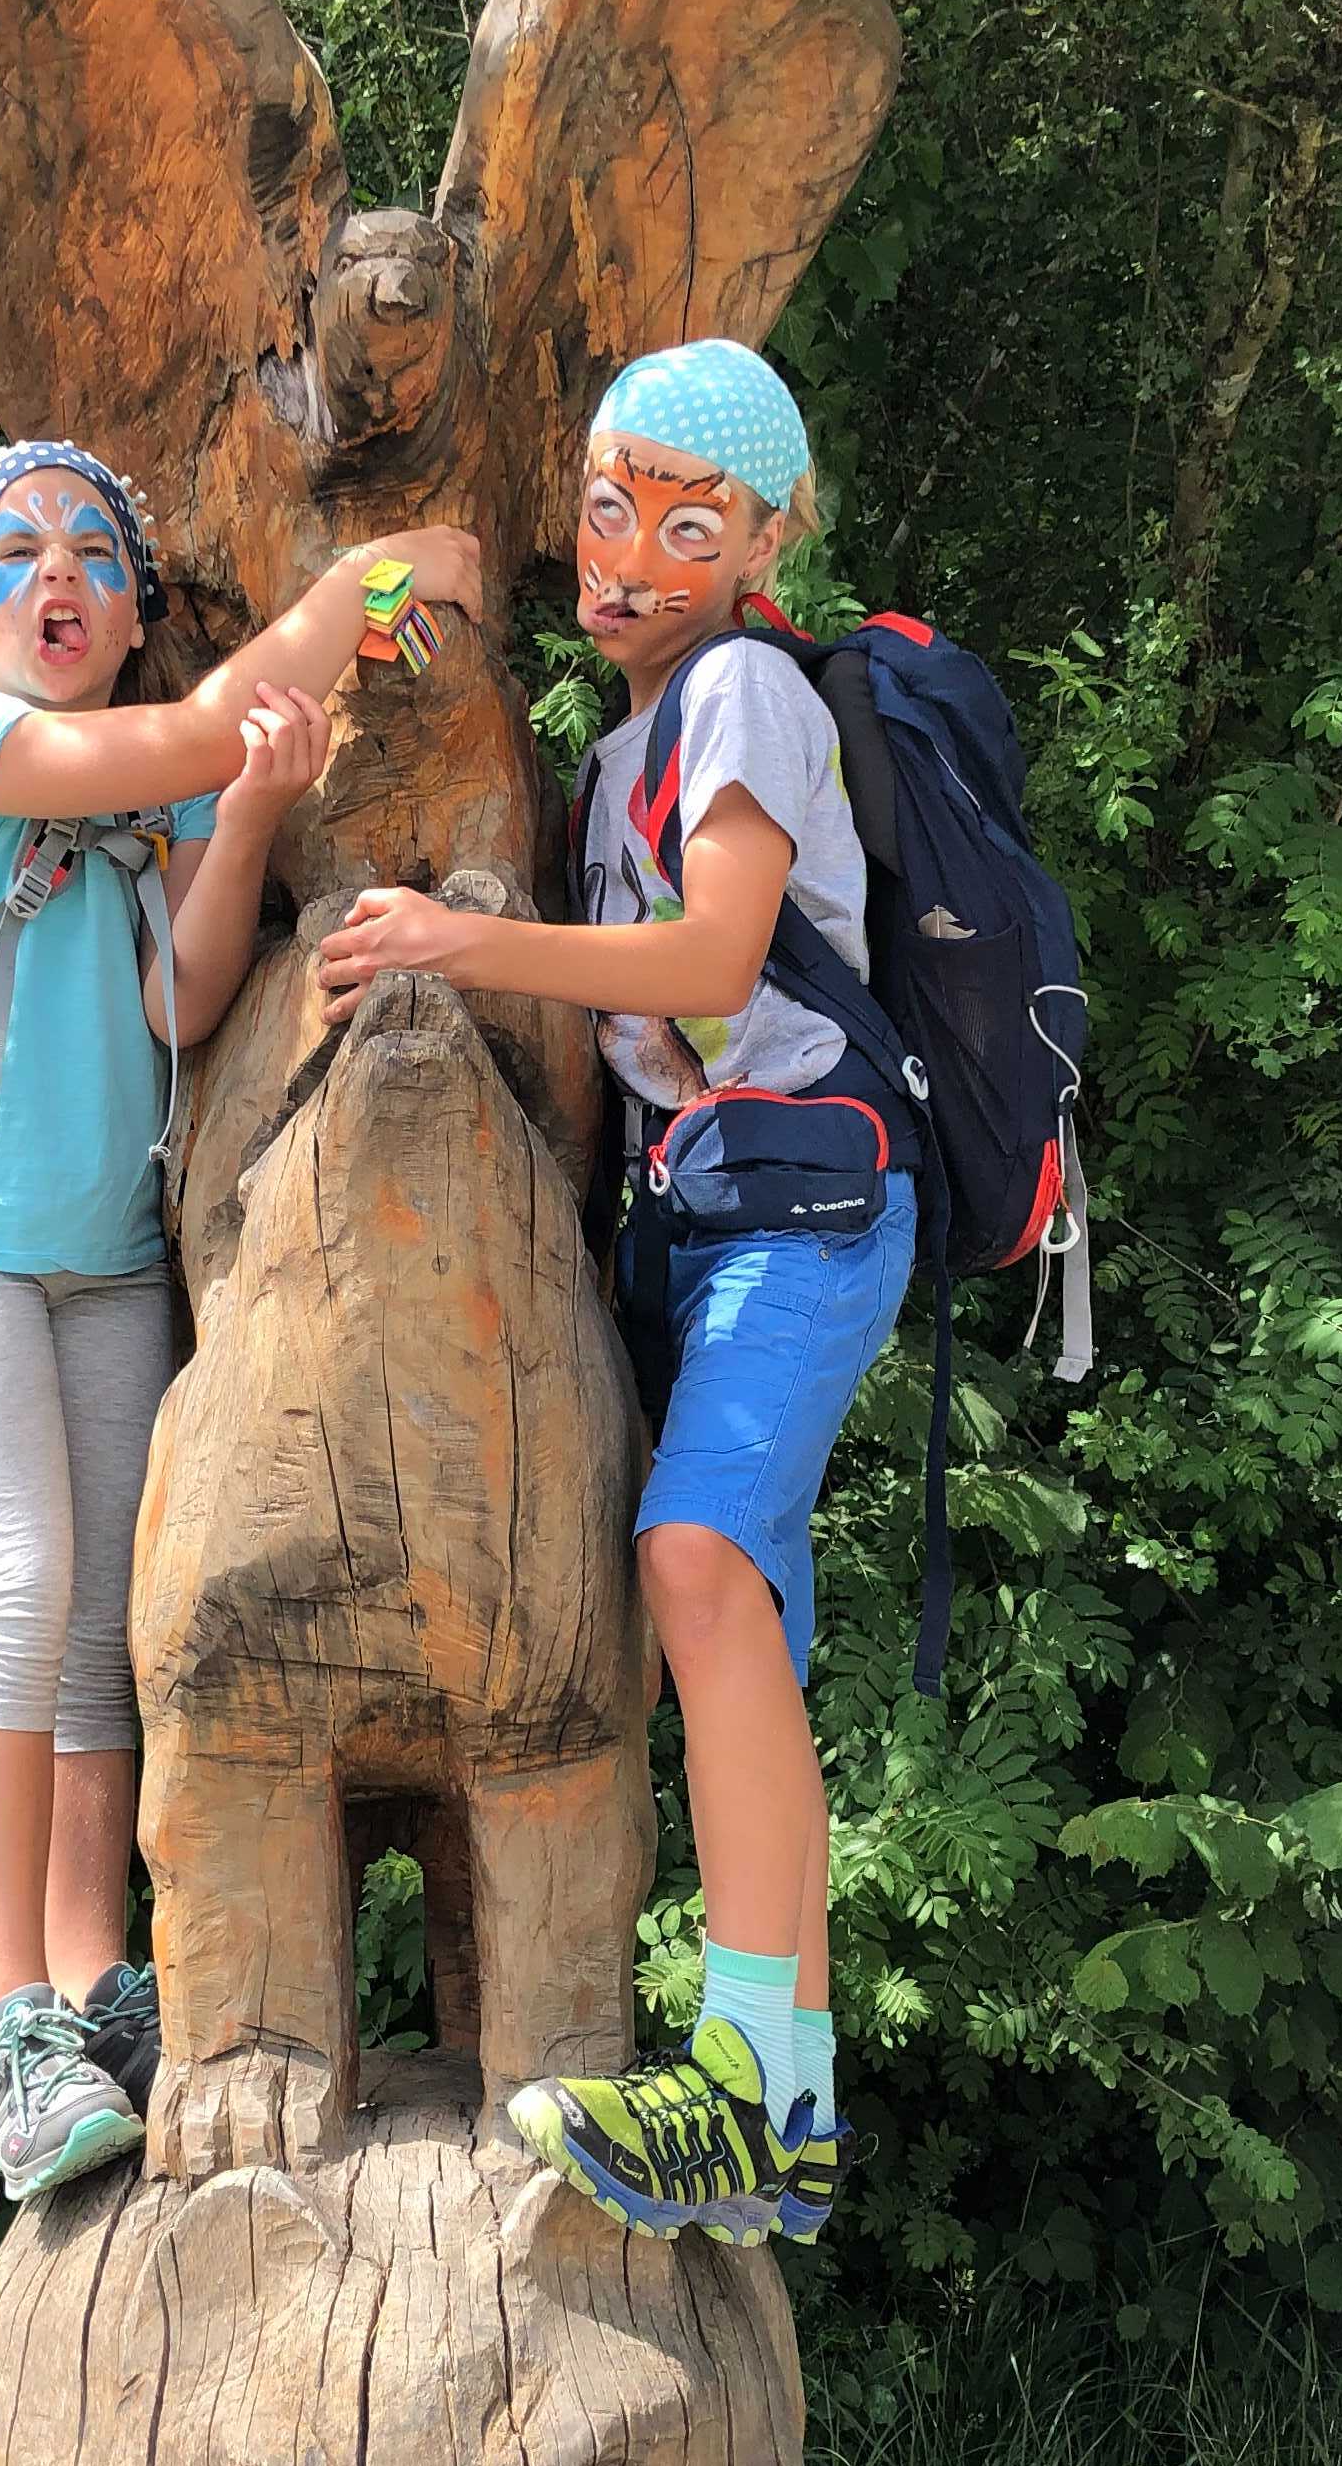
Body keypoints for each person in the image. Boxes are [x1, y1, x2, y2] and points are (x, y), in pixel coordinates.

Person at [0, 443, 482, 2201]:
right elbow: (199, 733)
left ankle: (94, 1981)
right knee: (14, 1585)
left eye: (93, 555)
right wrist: (379, 584)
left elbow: (182, 994)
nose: (57, 575)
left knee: (104, 1620)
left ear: (129, 614)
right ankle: (9, 2031)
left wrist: (253, 812)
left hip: (108, 1254)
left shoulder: (151, 795)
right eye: (15, 553)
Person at [316, 345, 902, 2244]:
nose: (632, 552)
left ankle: (737, 2082)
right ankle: (791, 2113)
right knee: (752, 1658)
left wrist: (463, 935)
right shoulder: (629, 732)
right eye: (606, 505)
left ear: (763, 542)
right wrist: (411, 575)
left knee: (691, 1568)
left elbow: (720, 949)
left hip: (804, 1202)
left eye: (688, 521)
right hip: (715, 1215)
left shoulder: (738, 687)